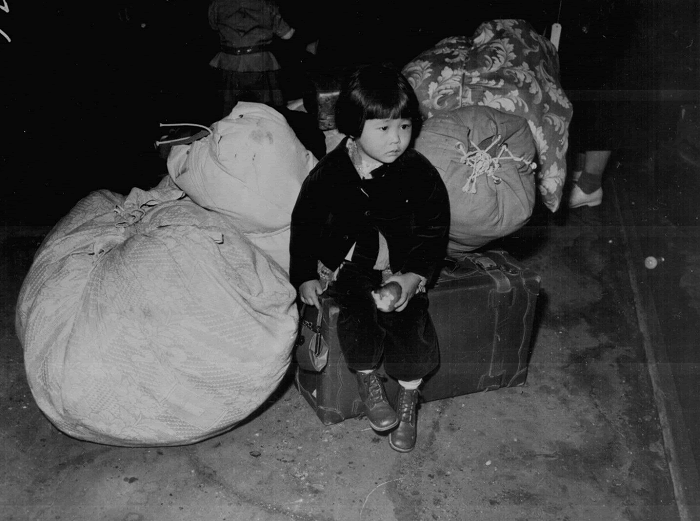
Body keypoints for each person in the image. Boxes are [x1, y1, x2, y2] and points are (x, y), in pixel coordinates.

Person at [289, 65, 450, 453]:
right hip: (351, 263)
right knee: (356, 314)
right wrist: (304, 275)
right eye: (383, 129)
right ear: (353, 126)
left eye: (405, 127)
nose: (397, 140)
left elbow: (434, 229)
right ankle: (368, 382)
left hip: (401, 265)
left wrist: (414, 276)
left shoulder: (418, 172)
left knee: (411, 321)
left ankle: (409, 397)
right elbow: (305, 224)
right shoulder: (331, 172)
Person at [208, 0, 295, 117]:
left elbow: (213, 26)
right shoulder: (265, 3)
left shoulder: (217, 4)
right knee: (266, 114)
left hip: (229, 64)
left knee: (229, 114)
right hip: (259, 64)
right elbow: (287, 35)